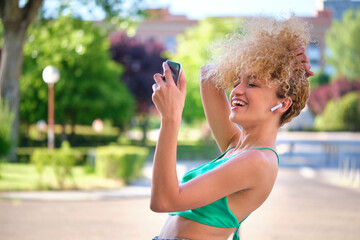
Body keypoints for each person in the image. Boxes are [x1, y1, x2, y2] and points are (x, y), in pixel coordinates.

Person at [150, 16, 314, 240]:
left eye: (252, 83)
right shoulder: (237, 146)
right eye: (237, 81)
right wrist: (269, 54)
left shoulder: (257, 161)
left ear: (283, 103)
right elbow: (209, 75)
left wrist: (170, 119)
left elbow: (164, 200)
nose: (236, 90)